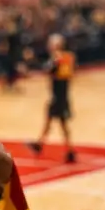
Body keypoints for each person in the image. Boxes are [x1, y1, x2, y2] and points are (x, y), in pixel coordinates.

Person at [32, 33, 77, 163]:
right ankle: (40, 144)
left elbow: (47, 69)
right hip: (64, 93)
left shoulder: (56, 58)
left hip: (57, 94)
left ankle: (69, 150)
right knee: (52, 120)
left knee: (59, 122)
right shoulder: (69, 57)